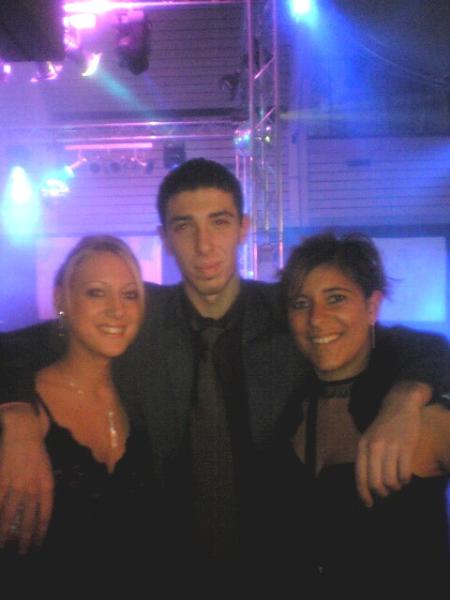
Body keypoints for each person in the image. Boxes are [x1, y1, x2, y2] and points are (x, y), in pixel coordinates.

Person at [0, 160, 449, 588]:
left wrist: (407, 397)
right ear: (165, 238)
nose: (204, 245)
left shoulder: (291, 313)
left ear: (243, 228)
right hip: (163, 571)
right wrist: (17, 415)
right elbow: (25, 344)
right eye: (184, 226)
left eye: (218, 222)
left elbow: (402, 344)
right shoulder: (135, 316)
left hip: (271, 571)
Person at [267, 231, 450, 593]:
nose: (316, 319)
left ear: (371, 307)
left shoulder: (420, 414)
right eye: (301, 304)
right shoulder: (289, 406)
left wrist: (408, 398)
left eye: (336, 298)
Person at [0, 235, 158, 592]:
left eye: (130, 295)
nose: (117, 310)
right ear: (62, 300)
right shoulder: (21, 409)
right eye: (96, 293)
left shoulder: (141, 397)